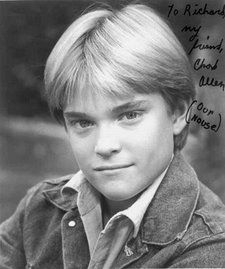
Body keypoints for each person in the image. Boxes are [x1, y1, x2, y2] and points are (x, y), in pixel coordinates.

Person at [1, 3, 225, 269]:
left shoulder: (210, 245)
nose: (105, 145)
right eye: (83, 122)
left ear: (177, 114)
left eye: (129, 115)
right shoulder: (39, 208)